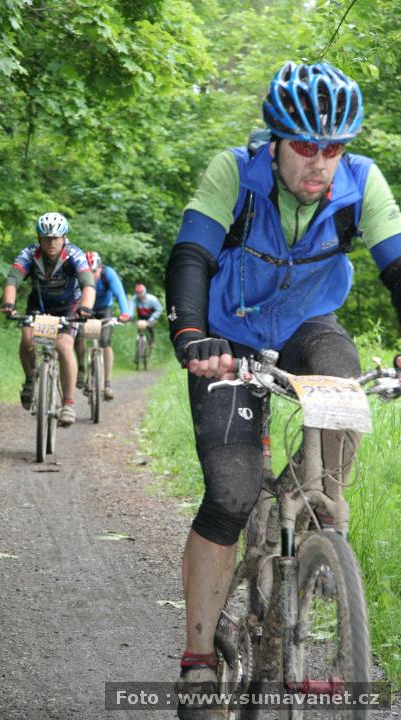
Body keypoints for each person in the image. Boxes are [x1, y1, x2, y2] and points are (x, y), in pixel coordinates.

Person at [165, 61, 401, 719]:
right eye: (304, 146)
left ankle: (307, 511)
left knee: (346, 385)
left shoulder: (362, 183)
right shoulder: (233, 174)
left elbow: (398, 266)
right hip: (227, 341)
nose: (319, 163)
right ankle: (199, 660)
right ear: (275, 142)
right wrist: (191, 335)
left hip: (307, 328)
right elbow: (192, 254)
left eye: (334, 147)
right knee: (231, 493)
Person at [1, 212, 95, 426]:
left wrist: (86, 307)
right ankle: (29, 380)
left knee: (63, 346)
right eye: (46, 238)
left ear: (64, 238)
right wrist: (8, 303)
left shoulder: (74, 254)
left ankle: (68, 404)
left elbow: (88, 283)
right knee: (27, 339)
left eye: (56, 238)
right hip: (40, 305)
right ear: (39, 238)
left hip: (69, 306)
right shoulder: (29, 254)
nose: (51, 242)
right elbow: (13, 279)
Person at [75, 251, 130, 400]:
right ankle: (81, 369)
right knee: (79, 335)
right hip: (84, 309)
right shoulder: (78, 276)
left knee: (105, 341)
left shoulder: (108, 274)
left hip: (104, 310)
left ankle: (107, 384)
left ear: (100, 268)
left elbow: (120, 294)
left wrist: (125, 313)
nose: (91, 276)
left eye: (94, 272)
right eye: (88, 272)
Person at [130, 283, 163, 348]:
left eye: (140, 293)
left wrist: (152, 319)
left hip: (151, 316)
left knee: (150, 328)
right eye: (138, 293)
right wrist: (130, 317)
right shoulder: (135, 299)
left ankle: (152, 342)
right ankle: (140, 345)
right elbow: (131, 308)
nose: (139, 296)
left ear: (144, 292)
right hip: (141, 316)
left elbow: (159, 309)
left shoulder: (152, 299)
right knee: (140, 328)